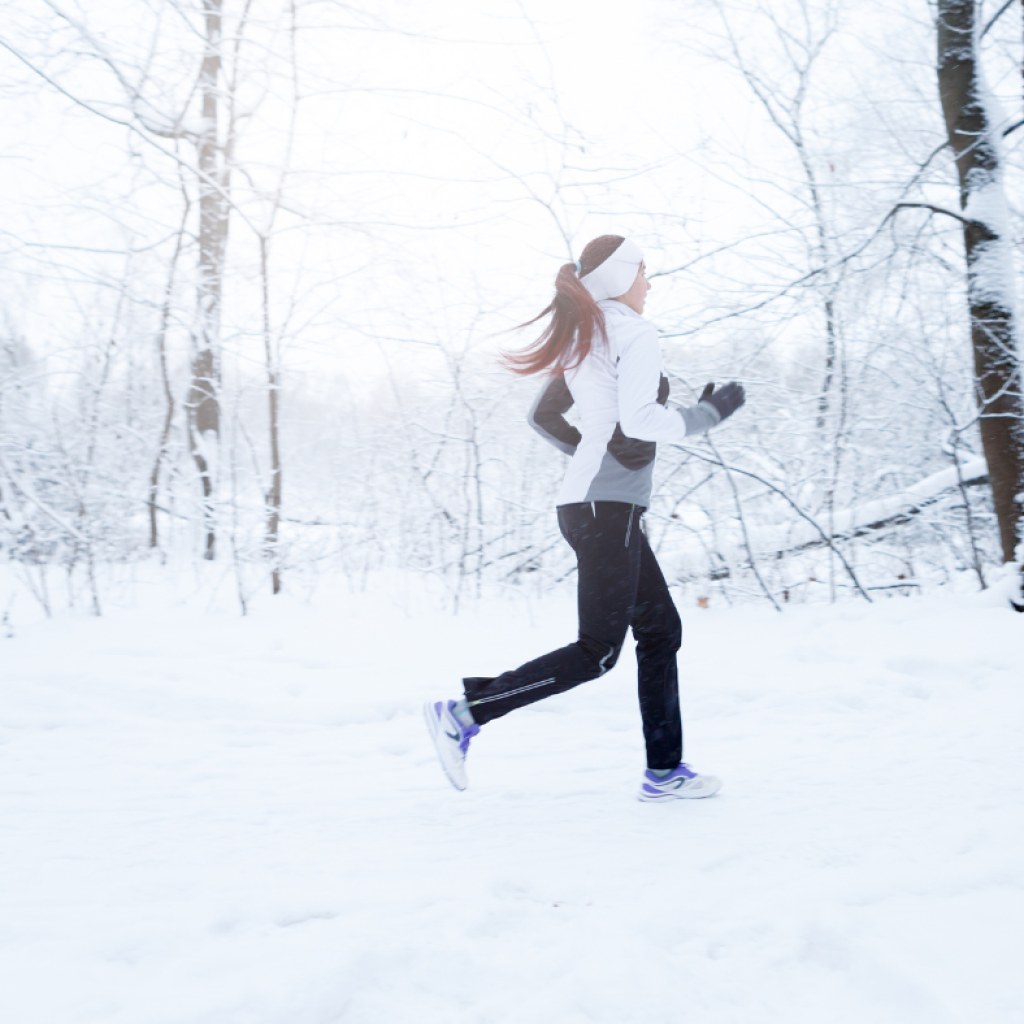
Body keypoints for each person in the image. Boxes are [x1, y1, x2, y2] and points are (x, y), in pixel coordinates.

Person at [424, 235, 745, 800]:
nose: (649, 284)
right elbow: (639, 421)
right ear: (620, 276)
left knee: (660, 630)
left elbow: (546, 416)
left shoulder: (586, 337)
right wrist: (706, 415)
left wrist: (594, 453)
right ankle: (466, 714)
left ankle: (665, 772)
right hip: (606, 509)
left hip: (592, 506)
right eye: (644, 272)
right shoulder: (635, 333)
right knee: (597, 652)